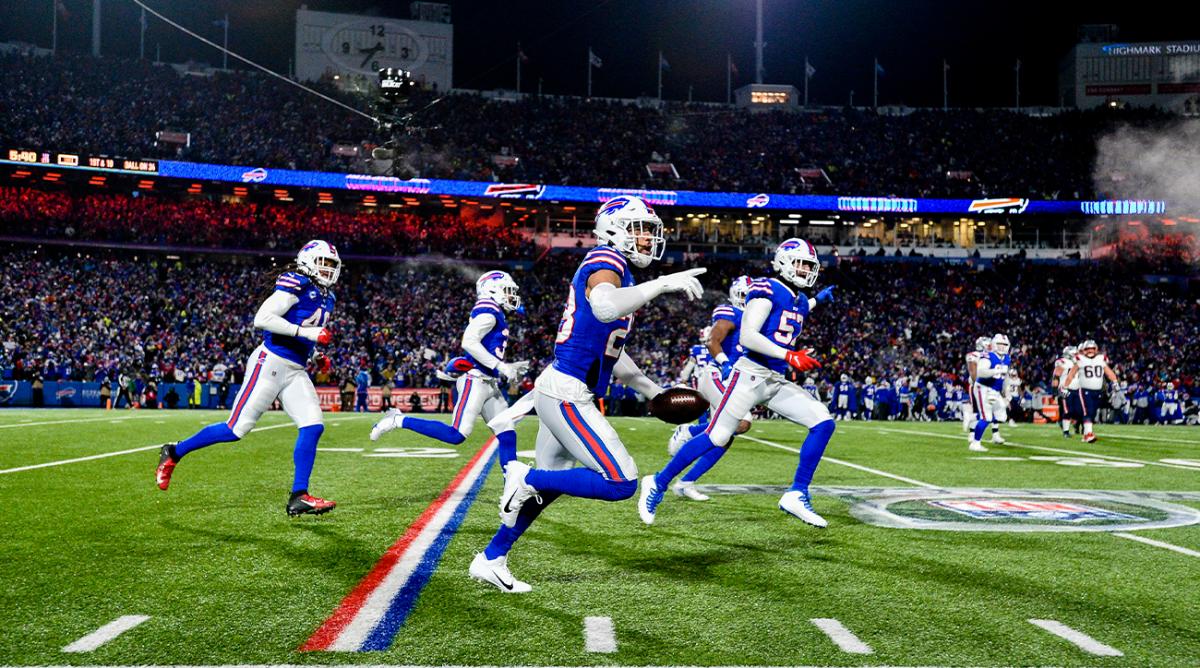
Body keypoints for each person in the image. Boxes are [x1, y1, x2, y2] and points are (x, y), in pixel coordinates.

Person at [469, 195, 704, 593]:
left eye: (650, 231)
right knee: (621, 481)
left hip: (562, 387)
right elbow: (604, 307)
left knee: (547, 490)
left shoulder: (620, 270)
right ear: (614, 230)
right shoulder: (607, 261)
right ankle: (521, 474)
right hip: (566, 393)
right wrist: (661, 285)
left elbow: (609, 346)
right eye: (640, 230)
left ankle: (492, 558)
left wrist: (650, 389)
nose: (648, 239)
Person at [639, 238, 835, 528]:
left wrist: (818, 302)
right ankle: (658, 482)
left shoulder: (800, 299)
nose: (806, 270)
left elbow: (798, 310)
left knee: (823, 422)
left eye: (810, 265)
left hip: (774, 379)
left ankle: (796, 493)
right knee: (717, 436)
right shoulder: (767, 287)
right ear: (783, 262)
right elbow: (748, 336)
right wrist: (790, 355)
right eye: (801, 263)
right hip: (749, 374)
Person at [154, 240, 341, 517]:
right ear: (308, 260)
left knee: (313, 425)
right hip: (270, 363)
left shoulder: (328, 297)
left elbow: (305, 329)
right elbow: (263, 318)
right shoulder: (296, 283)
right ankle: (174, 451)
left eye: (332, 265)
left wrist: (313, 356)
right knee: (236, 429)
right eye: (324, 262)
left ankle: (298, 496)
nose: (328, 270)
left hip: (295, 369)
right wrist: (307, 335)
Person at [370, 271, 529, 444]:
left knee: (506, 432)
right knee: (456, 435)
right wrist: (502, 366)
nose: (511, 295)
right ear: (492, 289)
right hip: (476, 380)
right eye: (507, 290)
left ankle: (512, 471)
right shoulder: (488, 311)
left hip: (489, 381)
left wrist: (505, 366)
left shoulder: (497, 312)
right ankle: (397, 419)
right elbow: (469, 342)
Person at [1060, 340, 1119, 442]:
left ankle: (1086, 433)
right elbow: (1071, 374)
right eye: (1088, 349)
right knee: (1088, 411)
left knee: (1092, 413)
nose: (1090, 351)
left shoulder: (1101, 359)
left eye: (1092, 349)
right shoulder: (1080, 359)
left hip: (1098, 391)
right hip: (1085, 390)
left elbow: (1109, 372)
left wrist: (1115, 382)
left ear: (1096, 349)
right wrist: (1065, 386)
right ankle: (1088, 434)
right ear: (1084, 350)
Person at [969, 334, 1012, 452]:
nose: (1002, 347)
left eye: (1004, 345)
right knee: (986, 417)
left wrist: (1007, 391)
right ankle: (975, 443)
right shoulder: (988, 355)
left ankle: (975, 419)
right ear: (993, 344)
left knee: (1002, 416)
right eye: (999, 344)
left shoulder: (1007, 358)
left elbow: (1005, 376)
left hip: (995, 390)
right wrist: (995, 370)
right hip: (983, 388)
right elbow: (981, 372)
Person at [1051, 346, 1077, 437]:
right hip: (1065, 389)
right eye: (1074, 354)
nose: (1076, 355)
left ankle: (1075, 426)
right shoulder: (1063, 362)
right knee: (1067, 411)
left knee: (1079, 410)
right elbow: (1056, 376)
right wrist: (1054, 390)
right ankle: (1066, 431)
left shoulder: (1077, 362)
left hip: (1076, 388)